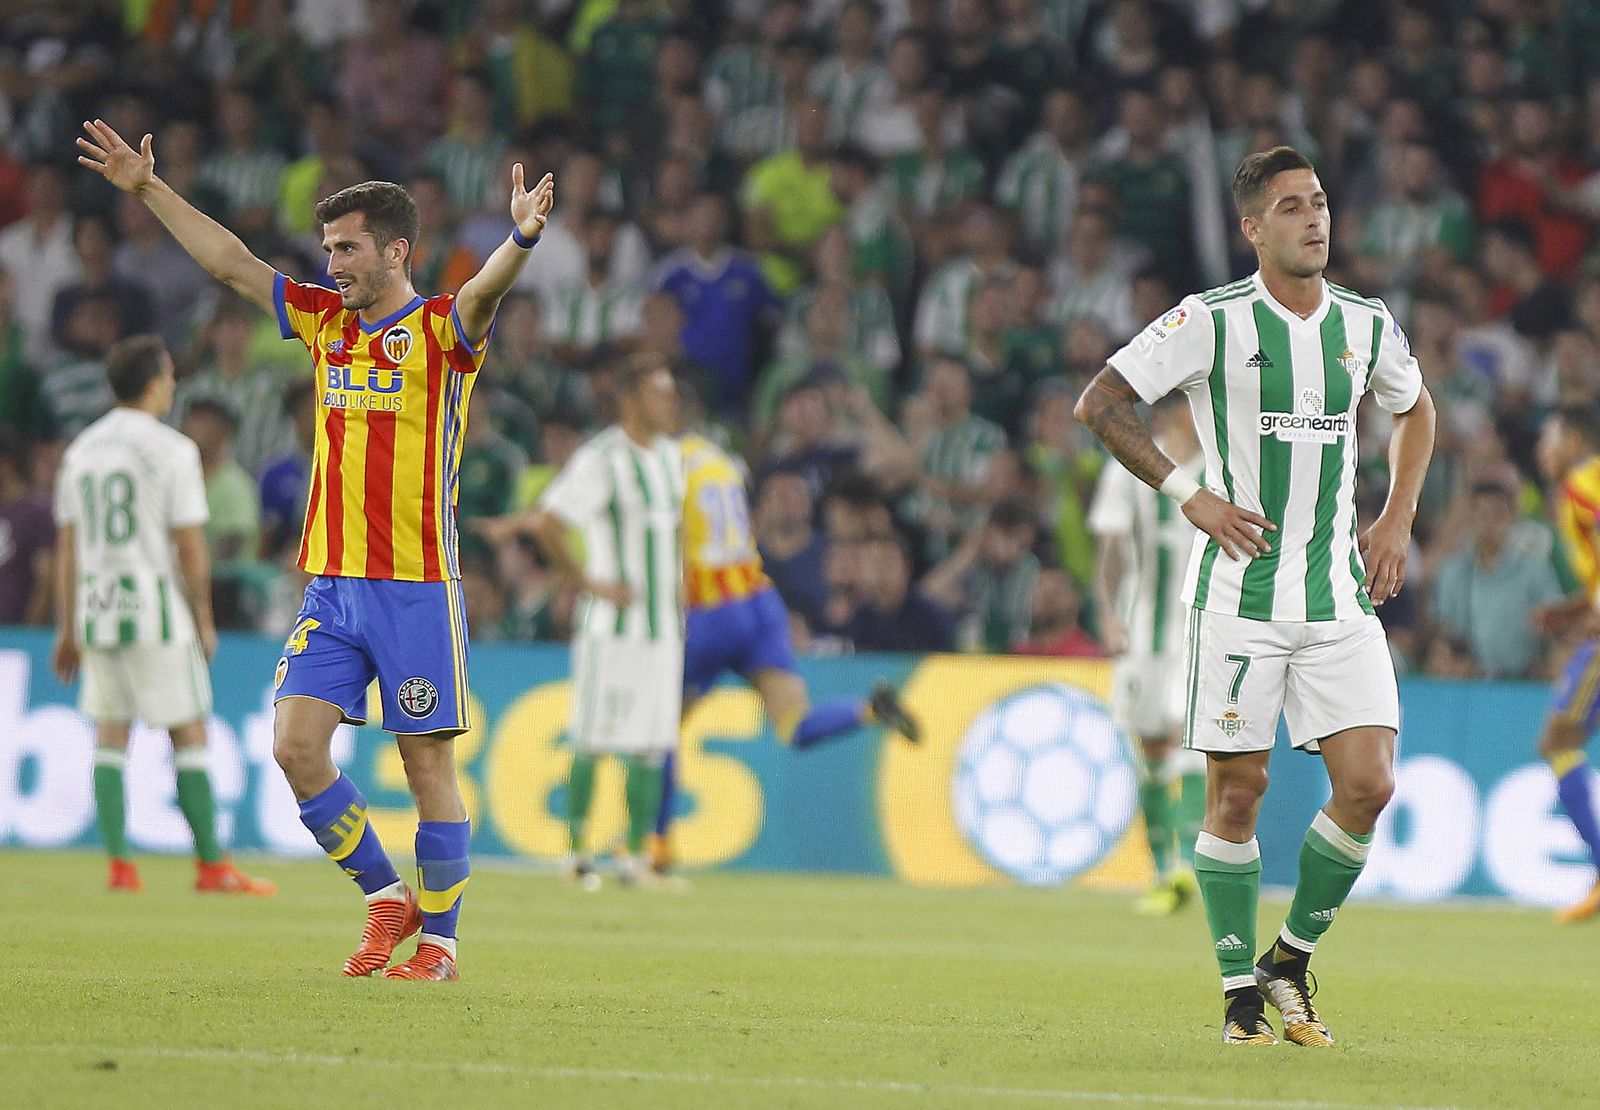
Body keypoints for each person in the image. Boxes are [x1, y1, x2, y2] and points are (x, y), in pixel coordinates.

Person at [77, 117, 556, 981]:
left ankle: (440, 947)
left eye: (347, 249)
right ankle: (385, 899)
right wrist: (148, 189)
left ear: (397, 252)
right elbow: (229, 263)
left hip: (416, 585)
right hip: (332, 585)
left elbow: (485, 291)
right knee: (295, 748)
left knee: (425, 764)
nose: (331, 264)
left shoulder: (444, 335)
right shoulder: (324, 322)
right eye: (327, 248)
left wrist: (519, 237)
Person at [1075, 146, 1436, 1046]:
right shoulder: (1210, 320)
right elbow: (1102, 402)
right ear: (1252, 228)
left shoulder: (1365, 323)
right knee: (1237, 798)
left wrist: (1395, 518)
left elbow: (1417, 409)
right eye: (1290, 207)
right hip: (1237, 601)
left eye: (1318, 203)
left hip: (1338, 599)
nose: (1314, 219)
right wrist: (1185, 493)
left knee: (1370, 783)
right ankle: (1240, 989)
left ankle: (1291, 960)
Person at [50, 335, 275, 897]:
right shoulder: (174, 450)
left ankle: (121, 866)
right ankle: (211, 866)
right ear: (154, 383)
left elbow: (69, 547)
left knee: (110, 732)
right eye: (170, 376)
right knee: (189, 729)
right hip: (154, 607)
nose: (173, 385)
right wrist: (202, 617)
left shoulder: (82, 449)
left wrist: (66, 626)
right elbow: (190, 546)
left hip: (99, 610)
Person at [650, 419, 921, 872]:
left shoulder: (665, 469)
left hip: (715, 608)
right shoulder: (720, 461)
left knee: (659, 731)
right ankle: (869, 710)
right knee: (794, 724)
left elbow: (676, 542)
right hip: (759, 600)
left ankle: (655, 842)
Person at [489, 359, 686, 889]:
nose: (671, 403)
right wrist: (587, 582)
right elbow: (549, 521)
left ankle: (637, 860)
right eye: (659, 394)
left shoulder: (671, 458)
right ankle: (576, 857)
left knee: (651, 742)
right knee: (595, 738)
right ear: (630, 401)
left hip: (664, 628)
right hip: (613, 630)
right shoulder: (604, 458)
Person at [1088, 395, 1207, 915]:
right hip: (1143, 630)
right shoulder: (1132, 466)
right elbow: (1111, 552)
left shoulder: (1224, 467)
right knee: (1151, 751)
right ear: (1175, 412)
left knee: (1193, 740)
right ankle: (1164, 872)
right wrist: (1109, 615)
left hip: (1202, 631)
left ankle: (1189, 869)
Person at [1531, 406, 1600, 922]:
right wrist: (1573, 608)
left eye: (1549, 437)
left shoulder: (1580, 483)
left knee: (1558, 740)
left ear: (1573, 437)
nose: (1542, 449)